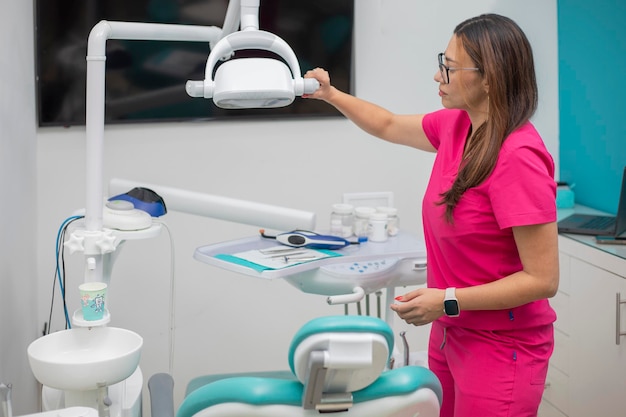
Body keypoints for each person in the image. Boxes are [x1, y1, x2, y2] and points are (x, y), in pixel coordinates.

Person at [304, 13, 559, 417]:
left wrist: (448, 301)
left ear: (489, 77)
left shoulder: (518, 157)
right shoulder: (458, 126)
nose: (438, 76)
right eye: (443, 61)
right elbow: (386, 124)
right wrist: (331, 95)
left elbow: (542, 280)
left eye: (450, 68)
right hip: (450, 335)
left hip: (501, 347)